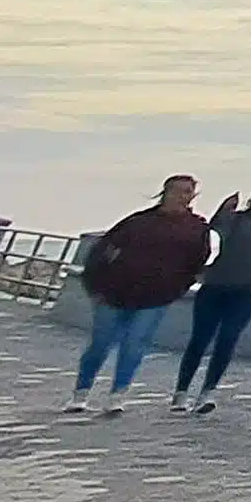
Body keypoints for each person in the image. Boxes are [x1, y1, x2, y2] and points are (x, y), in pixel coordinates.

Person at [70, 174, 212, 413]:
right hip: (112, 292)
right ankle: (81, 393)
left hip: (156, 297)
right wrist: (94, 285)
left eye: (187, 191)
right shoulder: (138, 222)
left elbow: (197, 263)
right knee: (101, 344)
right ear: (165, 192)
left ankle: (118, 394)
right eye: (177, 190)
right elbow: (102, 251)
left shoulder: (197, 228)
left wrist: (177, 288)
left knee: (134, 344)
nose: (181, 196)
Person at [172, 177, 251, 414]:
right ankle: (181, 392)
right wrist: (224, 209)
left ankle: (207, 392)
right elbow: (215, 229)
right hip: (216, 284)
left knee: (227, 338)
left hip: (249, 291)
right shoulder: (238, 219)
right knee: (200, 339)